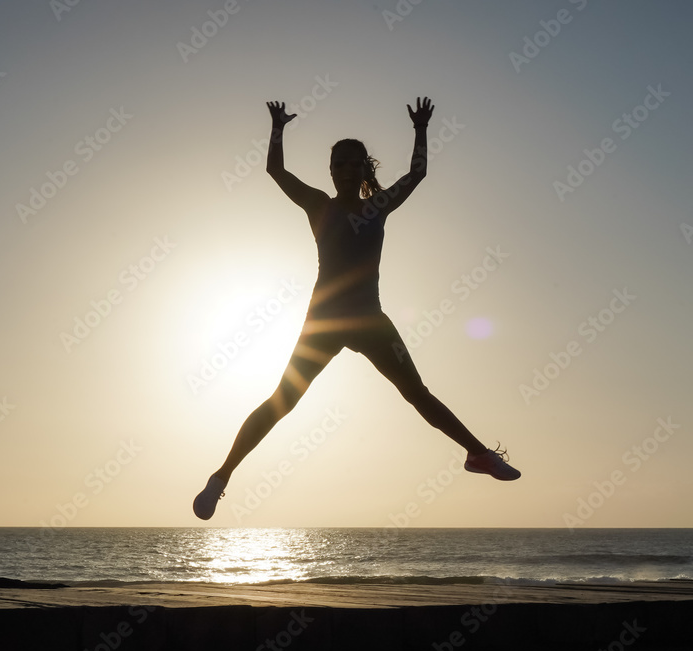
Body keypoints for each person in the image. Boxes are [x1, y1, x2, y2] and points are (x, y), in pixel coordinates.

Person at [194, 97, 518, 520]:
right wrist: (278, 128)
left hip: (370, 320)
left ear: (365, 169)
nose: (345, 169)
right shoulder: (318, 205)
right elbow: (275, 170)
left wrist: (420, 129)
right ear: (329, 171)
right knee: (283, 401)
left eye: (353, 163)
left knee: (416, 393)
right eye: (337, 163)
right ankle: (221, 476)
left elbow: (417, 173)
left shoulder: (376, 207)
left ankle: (478, 455)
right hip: (324, 321)